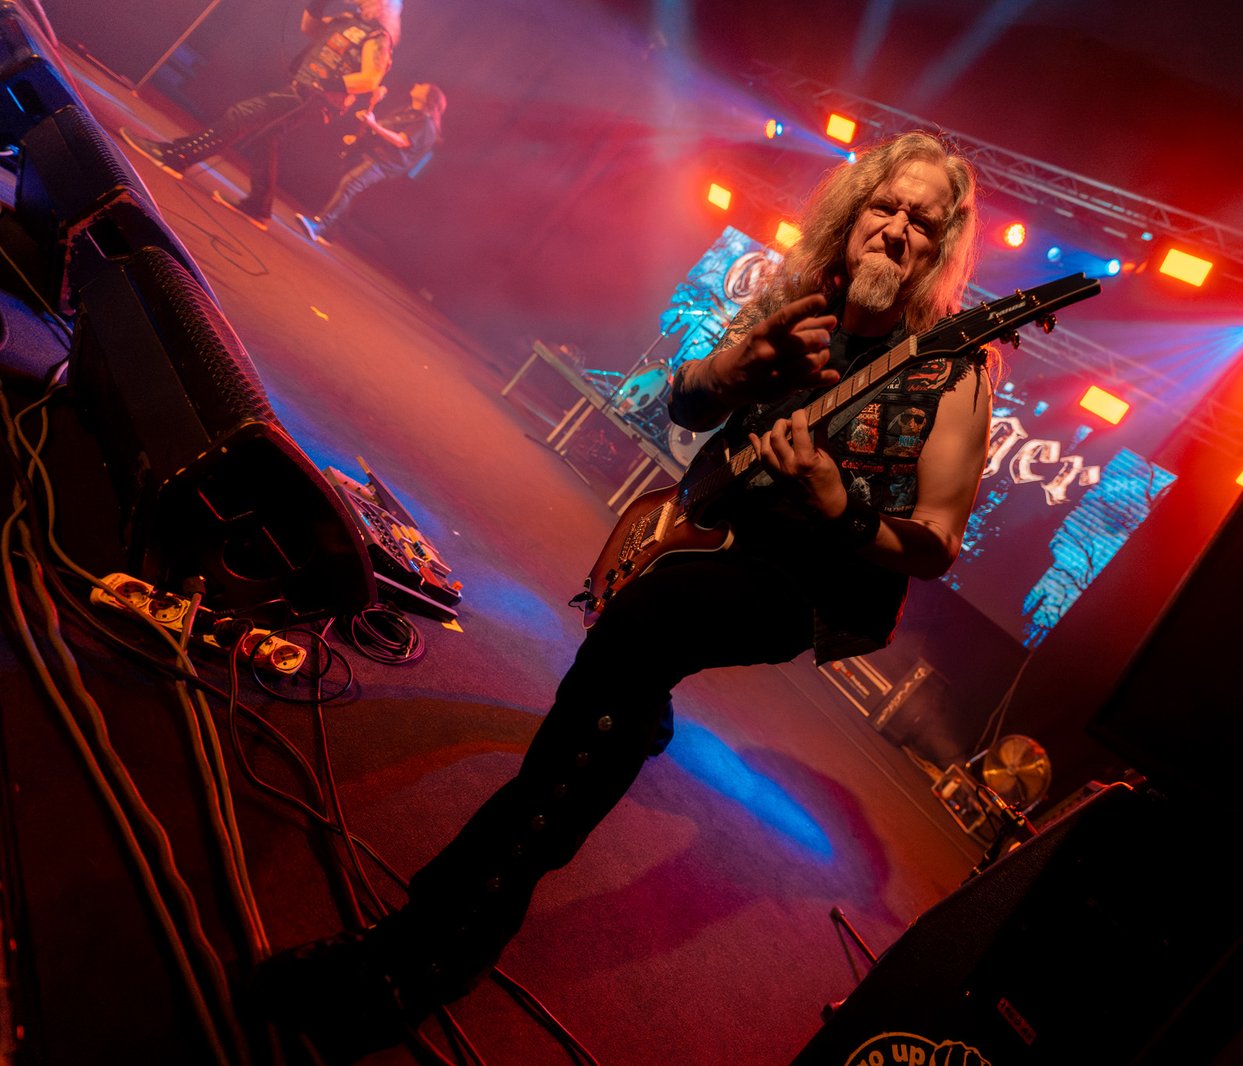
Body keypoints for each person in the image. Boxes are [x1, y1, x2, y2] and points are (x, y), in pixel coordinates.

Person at [255, 130, 993, 1055]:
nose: (895, 229)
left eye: (921, 221)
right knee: (627, 662)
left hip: (804, 580)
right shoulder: (802, 302)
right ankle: (632, 721)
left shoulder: (951, 370)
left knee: (650, 622)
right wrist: (732, 372)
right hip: (709, 525)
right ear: (854, 212)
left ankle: (431, 947)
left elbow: (935, 544)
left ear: (939, 249)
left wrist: (840, 506)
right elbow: (686, 406)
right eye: (885, 206)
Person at [119, 0, 402, 231]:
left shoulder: (378, 36)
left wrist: (326, 84)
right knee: (266, 140)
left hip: (316, 97)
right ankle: (258, 206)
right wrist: (317, 5)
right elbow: (310, 29)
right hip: (305, 88)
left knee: (241, 114)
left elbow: (370, 79)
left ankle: (177, 156)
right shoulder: (346, 20)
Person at [295, 81, 445, 244]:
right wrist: (366, 127)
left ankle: (319, 225)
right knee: (348, 189)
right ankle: (330, 232)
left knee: (350, 184)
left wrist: (373, 124)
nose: (417, 84)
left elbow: (401, 141)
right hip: (373, 153)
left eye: (423, 86)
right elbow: (384, 127)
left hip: (384, 162)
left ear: (428, 98)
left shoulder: (426, 124)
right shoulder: (408, 111)